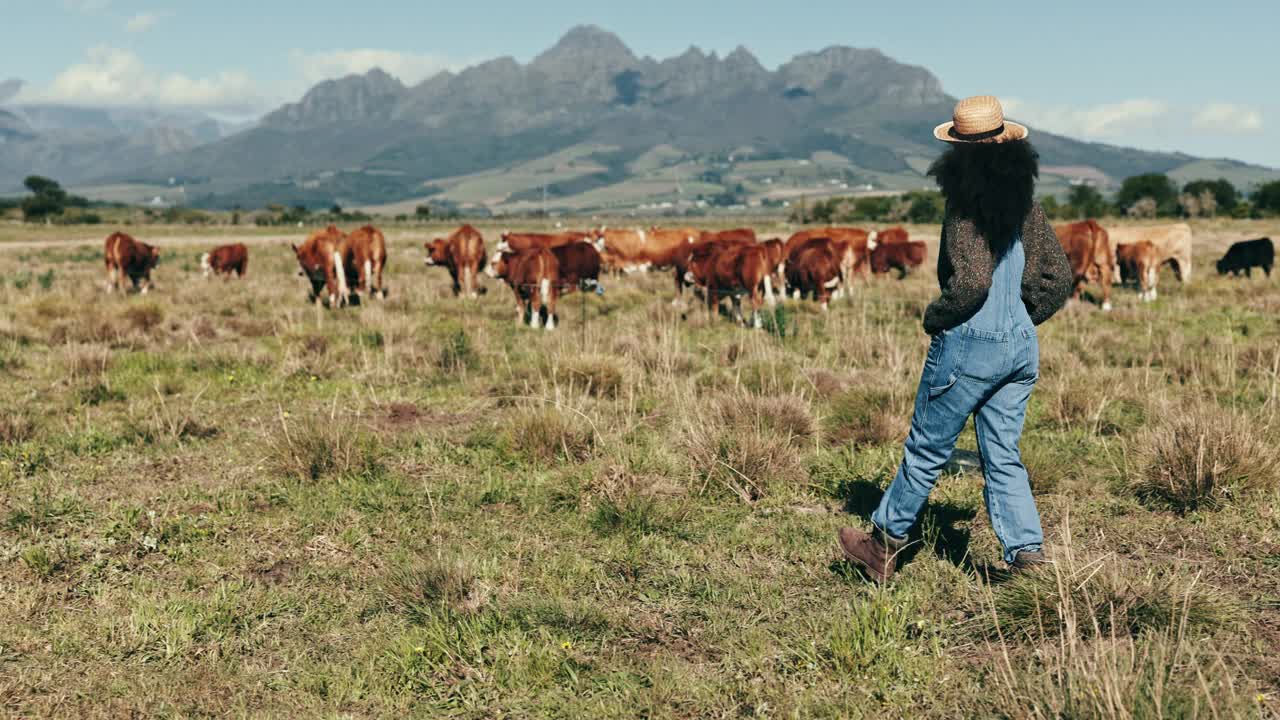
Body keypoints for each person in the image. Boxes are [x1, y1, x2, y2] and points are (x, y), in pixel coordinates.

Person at [837, 95, 1073, 582]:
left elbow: (969, 282)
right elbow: (1057, 276)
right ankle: (1026, 556)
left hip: (969, 342)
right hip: (1020, 346)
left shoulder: (965, 204)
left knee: (927, 448)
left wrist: (938, 317)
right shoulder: (1027, 203)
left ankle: (882, 546)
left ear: (957, 149)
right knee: (1003, 452)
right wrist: (1022, 319)